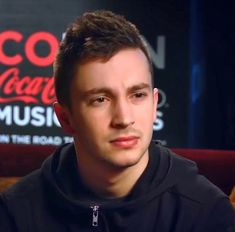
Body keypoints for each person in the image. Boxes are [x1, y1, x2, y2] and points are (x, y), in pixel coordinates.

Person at [0, 10, 234, 232]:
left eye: (137, 95)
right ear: (65, 118)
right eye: (100, 99)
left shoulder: (206, 212)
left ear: (154, 105)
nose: (123, 118)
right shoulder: (16, 212)